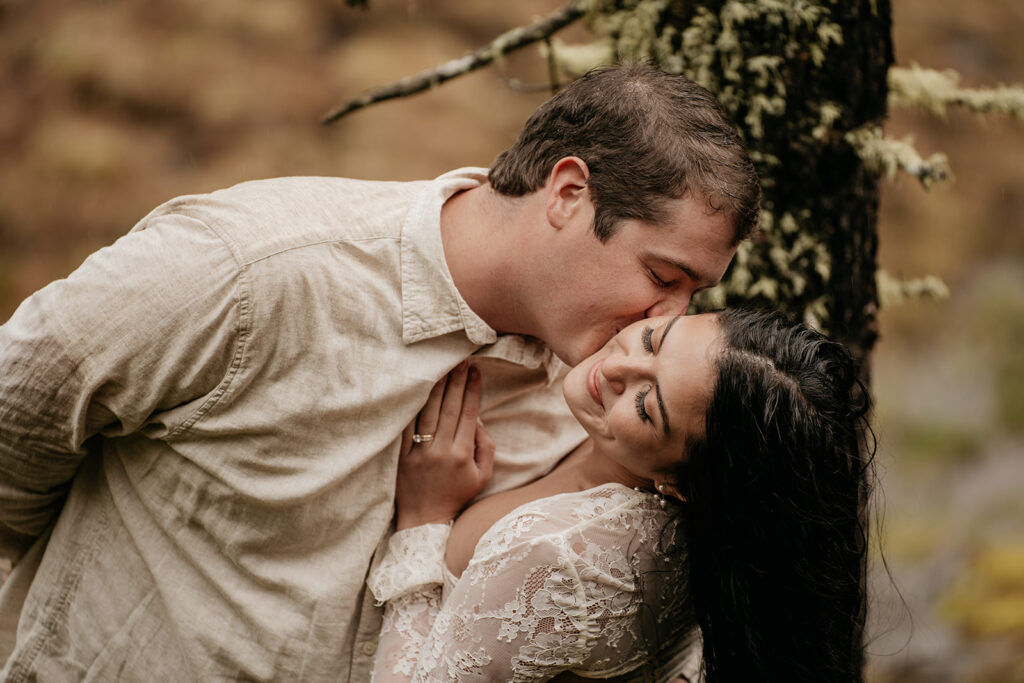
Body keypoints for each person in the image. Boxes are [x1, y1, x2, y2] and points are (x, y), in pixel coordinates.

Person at [0, 63, 759, 680]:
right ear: (567, 194)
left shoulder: (606, 391)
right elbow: (17, 417)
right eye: (664, 275)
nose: (668, 319)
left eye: (694, 292)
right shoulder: (249, 270)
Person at [368, 308, 873, 682]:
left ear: (680, 485)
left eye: (647, 406)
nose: (614, 370)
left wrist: (423, 518)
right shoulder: (720, 532)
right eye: (653, 339)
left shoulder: (552, 554)